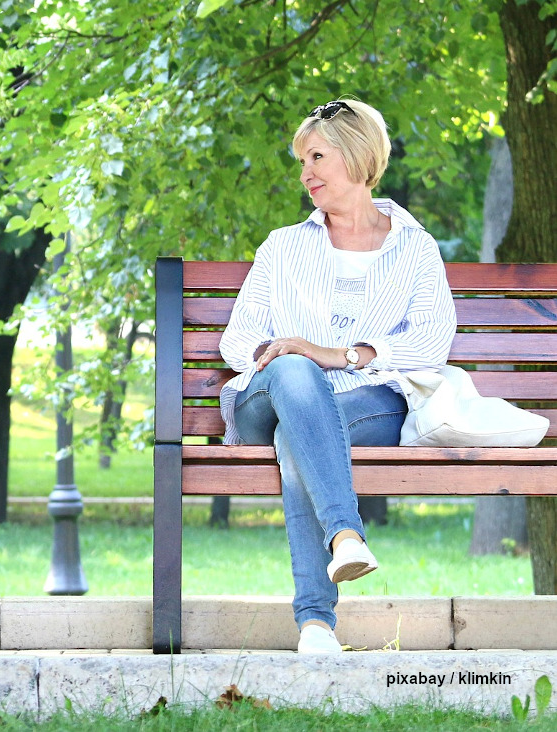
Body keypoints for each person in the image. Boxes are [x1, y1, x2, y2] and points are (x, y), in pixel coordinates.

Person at [218, 99, 456, 654]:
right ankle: (344, 534)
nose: (305, 174)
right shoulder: (284, 246)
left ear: (356, 156)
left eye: (316, 157)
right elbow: (238, 337)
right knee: (296, 380)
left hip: (368, 402)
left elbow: (431, 341)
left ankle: (316, 626)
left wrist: (340, 354)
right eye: (302, 161)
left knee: (299, 433)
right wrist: (287, 358)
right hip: (268, 398)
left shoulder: (415, 249)